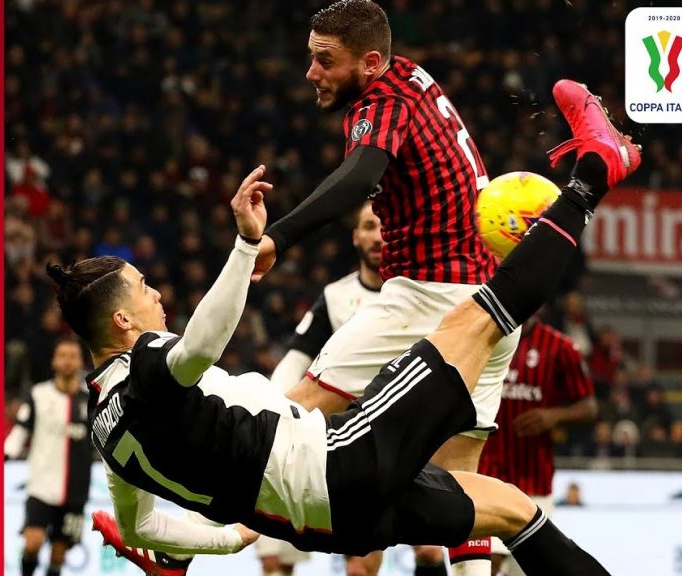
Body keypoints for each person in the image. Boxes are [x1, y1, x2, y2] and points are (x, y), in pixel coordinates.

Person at [51, 79, 639, 576]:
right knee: (481, 314)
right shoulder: (148, 362)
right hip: (341, 465)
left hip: (323, 522)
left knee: (511, 509)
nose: (157, 294)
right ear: (122, 320)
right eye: (143, 288)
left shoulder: (106, 430)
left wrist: (226, 542)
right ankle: (594, 172)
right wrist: (246, 245)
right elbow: (201, 345)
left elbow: (142, 528)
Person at [250, 3, 522, 571]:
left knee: (298, 410)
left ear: (370, 62)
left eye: (326, 60)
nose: (312, 73)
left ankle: (191, 533)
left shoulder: (382, 101)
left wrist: (278, 236)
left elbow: (359, 178)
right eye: (311, 57)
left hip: (431, 293)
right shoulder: (411, 75)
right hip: (491, 300)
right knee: (461, 483)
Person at [263, 207, 444, 576]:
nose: (378, 236)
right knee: (354, 564)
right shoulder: (335, 297)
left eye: (386, 225)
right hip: (351, 441)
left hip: (414, 439)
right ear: (356, 237)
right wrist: (272, 406)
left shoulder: (427, 292)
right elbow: (295, 359)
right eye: (368, 226)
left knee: (428, 549)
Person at [477, 315, 598, 576]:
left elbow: (589, 406)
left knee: (526, 569)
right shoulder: (482, 336)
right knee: (486, 565)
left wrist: (554, 415)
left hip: (534, 482)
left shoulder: (561, 347)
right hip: (485, 475)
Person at [3, 337, 94, 576]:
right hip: (41, 486)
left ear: (80, 362)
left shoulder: (91, 400)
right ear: (54, 361)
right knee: (32, 542)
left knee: (58, 553)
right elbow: (21, 431)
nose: (67, 361)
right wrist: (5, 454)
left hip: (76, 490)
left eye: (72, 356)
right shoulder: (38, 395)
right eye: (62, 355)